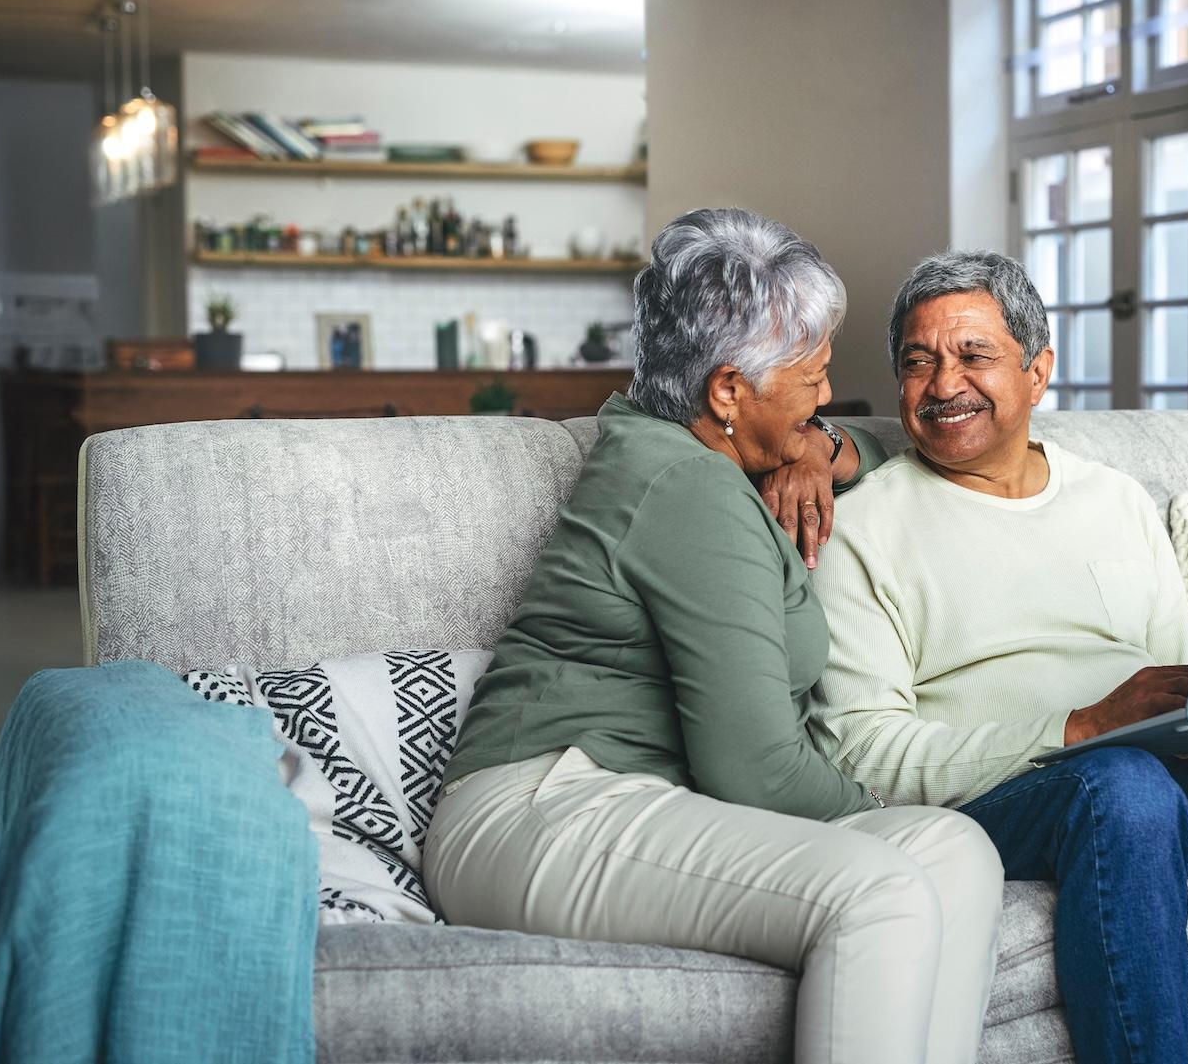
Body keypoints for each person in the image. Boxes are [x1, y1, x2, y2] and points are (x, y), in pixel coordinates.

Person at [807, 250, 1188, 1064]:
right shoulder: (861, 528)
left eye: (973, 355)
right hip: (999, 801)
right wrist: (1080, 726)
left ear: (1038, 371)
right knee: (1124, 783)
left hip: (1144, 781)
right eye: (917, 361)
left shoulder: (1114, 499)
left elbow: (1176, 687)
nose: (943, 383)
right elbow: (862, 754)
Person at [424, 210, 1006, 1064]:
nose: (825, 395)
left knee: (955, 850)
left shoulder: (699, 449)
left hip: (628, 800)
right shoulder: (688, 487)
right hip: (539, 808)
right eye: (812, 376)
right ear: (728, 391)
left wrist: (820, 448)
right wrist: (876, 810)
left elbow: (890, 450)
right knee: (881, 888)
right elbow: (755, 769)